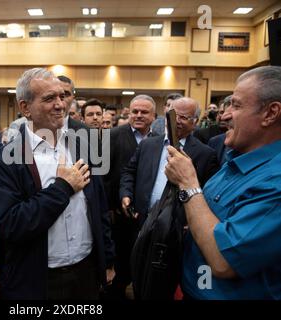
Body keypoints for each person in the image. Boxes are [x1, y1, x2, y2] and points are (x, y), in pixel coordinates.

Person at [0, 68, 115, 299]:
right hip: (38, 280)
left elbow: (99, 207)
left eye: (62, 96)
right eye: (49, 98)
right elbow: (12, 224)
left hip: (85, 273)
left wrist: (107, 260)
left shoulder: (83, 147)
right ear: (25, 107)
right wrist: (63, 187)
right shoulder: (7, 159)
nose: (60, 104)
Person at [165, 66, 281, 299]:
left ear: (270, 113)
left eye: (236, 105)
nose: (224, 115)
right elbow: (210, 219)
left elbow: (224, 261)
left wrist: (188, 183)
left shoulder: (275, 181)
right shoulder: (234, 158)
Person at [120, 97, 219, 227]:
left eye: (183, 117)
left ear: (195, 122)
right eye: (173, 115)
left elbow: (208, 192)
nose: (176, 121)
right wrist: (126, 194)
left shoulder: (206, 154)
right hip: (141, 220)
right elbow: (129, 172)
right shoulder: (147, 144)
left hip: (177, 228)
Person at [102, 94, 156, 299]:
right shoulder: (112, 136)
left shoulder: (160, 138)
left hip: (149, 215)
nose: (139, 115)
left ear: (154, 115)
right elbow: (103, 176)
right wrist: (108, 207)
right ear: (128, 113)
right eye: (135, 111)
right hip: (118, 213)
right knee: (121, 263)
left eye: (144, 112)